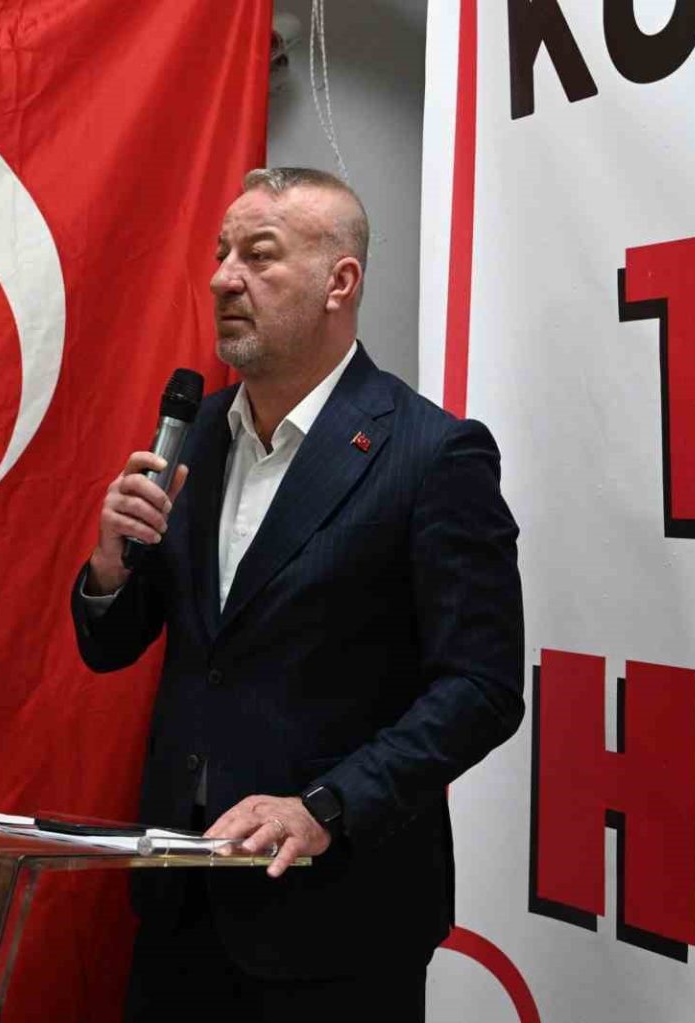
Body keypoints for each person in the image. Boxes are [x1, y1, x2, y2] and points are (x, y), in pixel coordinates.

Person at [71, 167, 524, 1021]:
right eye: (221, 253)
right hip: (177, 900)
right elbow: (116, 644)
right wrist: (109, 568)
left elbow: (483, 688)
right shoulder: (198, 435)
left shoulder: (432, 455)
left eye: (258, 255)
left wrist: (325, 806)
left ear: (338, 283)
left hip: (337, 916)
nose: (223, 278)